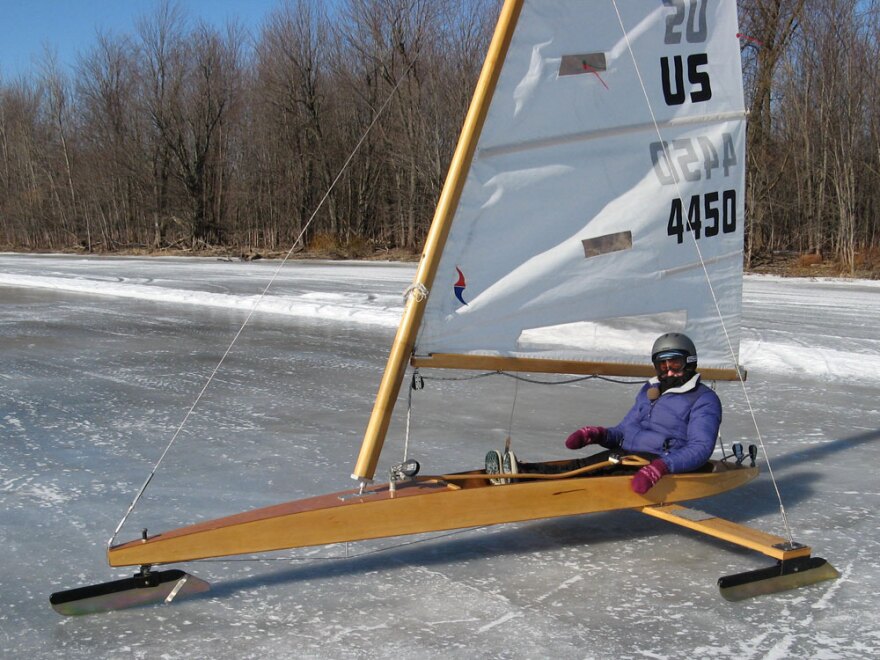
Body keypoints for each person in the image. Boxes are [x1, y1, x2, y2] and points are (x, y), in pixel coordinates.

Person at [485, 332, 722, 493]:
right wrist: (598, 434)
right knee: (582, 465)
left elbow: (700, 448)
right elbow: (624, 431)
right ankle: (522, 472)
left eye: (675, 364)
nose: (669, 371)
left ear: (690, 362)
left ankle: (523, 478)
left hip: (658, 461)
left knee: (592, 472)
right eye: (663, 365)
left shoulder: (703, 399)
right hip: (630, 454)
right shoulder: (651, 390)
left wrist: (661, 466)